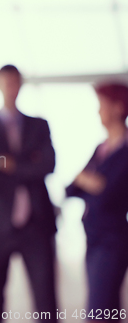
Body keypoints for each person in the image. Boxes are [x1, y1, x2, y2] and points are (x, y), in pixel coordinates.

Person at [0, 65, 57, 322]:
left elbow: (49, 165)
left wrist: (11, 165)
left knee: (46, 303)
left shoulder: (39, 125)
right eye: (6, 83)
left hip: (37, 224)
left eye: (16, 83)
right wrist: (29, 163)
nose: (11, 88)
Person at [66, 82, 128, 321]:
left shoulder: (124, 151)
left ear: (117, 107)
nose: (98, 111)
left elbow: (109, 192)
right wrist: (91, 182)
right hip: (93, 236)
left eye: (101, 104)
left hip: (113, 240)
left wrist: (87, 181)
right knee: (107, 309)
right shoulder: (100, 148)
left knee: (98, 310)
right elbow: (72, 188)